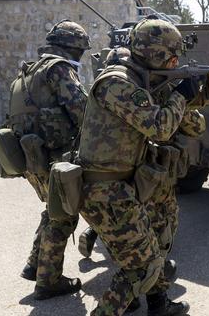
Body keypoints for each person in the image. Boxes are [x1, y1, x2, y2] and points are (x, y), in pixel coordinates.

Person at [77, 17, 198, 316]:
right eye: (171, 57)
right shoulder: (117, 83)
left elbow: (192, 126)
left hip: (128, 184)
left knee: (157, 242)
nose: (174, 62)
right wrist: (181, 95)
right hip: (105, 191)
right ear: (157, 55)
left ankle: (159, 305)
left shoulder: (142, 82)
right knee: (142, 266)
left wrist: (186, 97)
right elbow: (159, 128)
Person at [9, 19, 89, 299]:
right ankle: (48, 281)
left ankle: (34, 265)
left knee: (51, 210)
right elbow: (82, 110)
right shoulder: (58, 69)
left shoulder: (25, 74)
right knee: (64, 217)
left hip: (32, 158)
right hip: (56, 157)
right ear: (74, 48)